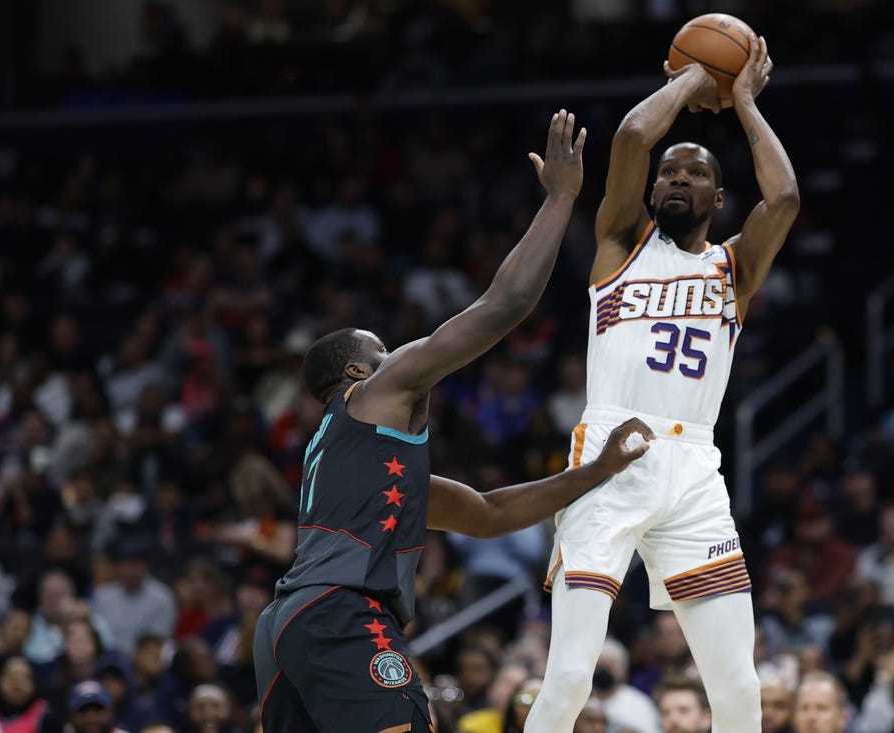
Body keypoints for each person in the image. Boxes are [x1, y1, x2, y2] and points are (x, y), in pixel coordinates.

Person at [253, 110, 655, 733]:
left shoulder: (349, 460)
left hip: (285, 627)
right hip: (341, 613)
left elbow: (489, 515)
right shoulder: (374, 399)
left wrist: (597, 470)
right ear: (358, 377)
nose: (404, 363)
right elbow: (505, 305)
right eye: (384, 355)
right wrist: (562, 199)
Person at [526, 34, 800, 733]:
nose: (678, 178)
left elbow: (787, 195)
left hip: (694, 474)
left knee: (739, 688)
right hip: (607, 460)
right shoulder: (621, 243)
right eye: (669, 173)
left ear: (717, 193)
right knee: (567, 677)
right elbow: (631, 135)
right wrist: (691, 77)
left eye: (695, 173)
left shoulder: (733, 269)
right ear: (651, 192)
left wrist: (740, 103)